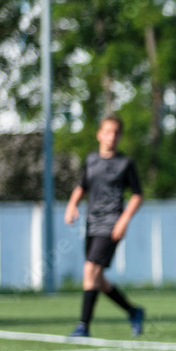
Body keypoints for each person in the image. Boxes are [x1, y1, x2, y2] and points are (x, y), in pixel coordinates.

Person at [64, 115, 146, 338]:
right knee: (97, 279)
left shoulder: (125, 163)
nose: (112, 136)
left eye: (116, 132)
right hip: (92, 223)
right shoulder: (91, 160)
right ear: (99, 134)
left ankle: (83, 325)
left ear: (120, 136)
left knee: (90, 269)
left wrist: (124, 220)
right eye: (108, 131)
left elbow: (138, 195)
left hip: (111, 224)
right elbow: (82, 186)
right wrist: (71, 206)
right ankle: (133, 311)